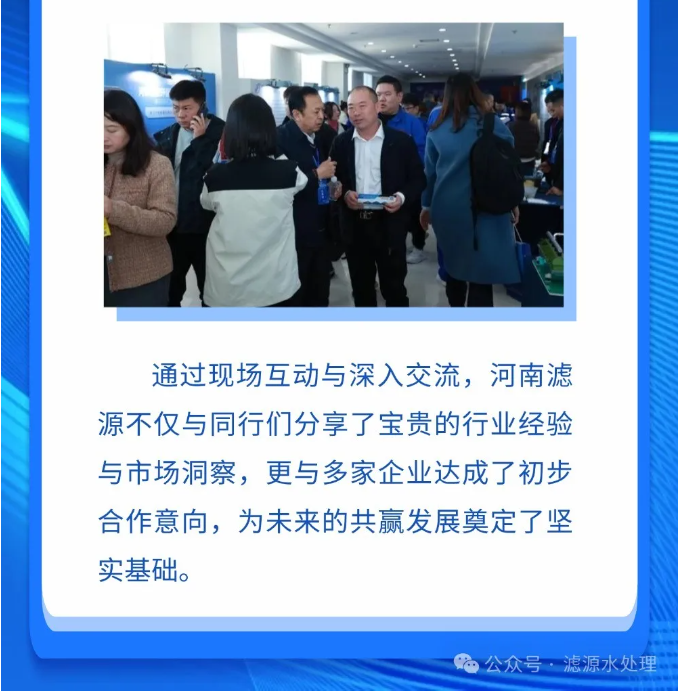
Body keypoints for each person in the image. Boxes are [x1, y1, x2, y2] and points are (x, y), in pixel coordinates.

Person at [421, 73, 520, 308]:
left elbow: (430, 174)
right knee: (481, 274)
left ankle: (456, 311)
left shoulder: (437, 130)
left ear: (446, 97)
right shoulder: (494, 124)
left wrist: (426, 206)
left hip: (449, 208)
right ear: (476, 92)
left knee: (454, 267)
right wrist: (513, 202)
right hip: (489, 207)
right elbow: (509, 167)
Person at [200, 94, 307, 307]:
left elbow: (206, 203)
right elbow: (302, 181)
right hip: (276, 286)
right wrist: (273, 147)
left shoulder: (214, 177)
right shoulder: (290, 173)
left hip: (227, 286)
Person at [330, 86, 426, 307]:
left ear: (377, 107)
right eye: (351, 107)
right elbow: (333, 181)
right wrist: (345, 195)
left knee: (394, 290)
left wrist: (401, 197)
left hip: (389, 225)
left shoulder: (400, 142)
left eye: (362, 106)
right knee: (361, 290)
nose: (355, 112)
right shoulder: (341, 143)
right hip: (355, 227)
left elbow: (418, 179)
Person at [154, 80, 225, 307]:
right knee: (171, 289)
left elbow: (212, 174)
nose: (180, 114)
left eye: (187, 108)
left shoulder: (222, 134)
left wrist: (200, 140)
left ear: (202, 106)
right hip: (173, 225)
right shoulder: (166, 135)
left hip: (206, 225)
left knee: (210, 289)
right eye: (176, 108)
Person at [104, 90, 177, 307]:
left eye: (111, 130)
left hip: (143, 279)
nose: (102, 137)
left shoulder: (156, 165)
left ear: (131, 127)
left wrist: (113, 210)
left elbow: (165, 220)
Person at [277, 87, 338, 306]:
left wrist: (333, 184)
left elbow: (331, 170)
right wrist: (316, 175)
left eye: (322, 110)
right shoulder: (279, 140)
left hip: (321, 226)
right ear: (296, 114)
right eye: (315, 112)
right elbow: (283, 184)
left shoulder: (324, 135)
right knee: (298, 294)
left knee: (320, 292)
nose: (322, 116)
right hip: (295, 232)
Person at [375, 76, 428, 266]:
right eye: (378, 94)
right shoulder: (371, 120)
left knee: (413, 217)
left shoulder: (412, 123)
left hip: (406, 183)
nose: (382, 99)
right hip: (379, 182)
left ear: (399, 97)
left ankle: (418, 246)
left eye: (387, 94)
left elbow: (422, 152)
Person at [507, 100, 541, 177]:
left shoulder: (511, 126)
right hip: (530, 160)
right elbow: (537, 140)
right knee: (528, 182)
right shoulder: (533, 126)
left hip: (514, 161)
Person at [540, 89, 564, 195]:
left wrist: (560, 185)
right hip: (555, 172)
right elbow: (552, 145)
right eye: (549, 111)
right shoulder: (556, 124)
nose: (552, 114)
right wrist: (549, 162)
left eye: (553, 110)